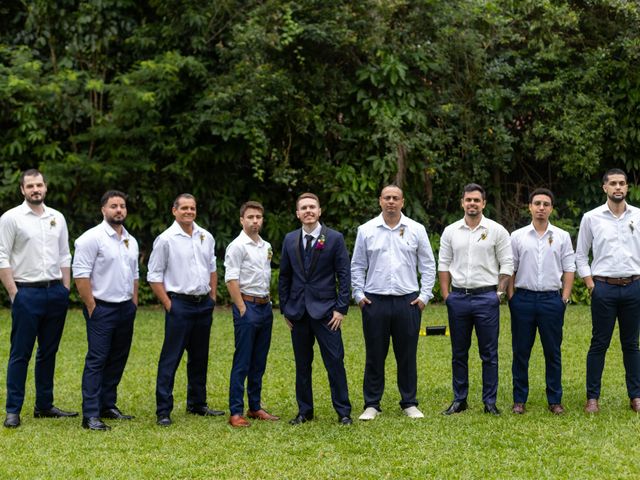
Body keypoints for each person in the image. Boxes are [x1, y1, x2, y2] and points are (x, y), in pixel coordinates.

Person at [0, 169, 78, 428]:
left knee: (49, 351)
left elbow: (65, 254)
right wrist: (14, 293)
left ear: (45, 188)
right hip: (26, 292)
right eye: (30, 185)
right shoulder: (11, 218)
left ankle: (44, 405)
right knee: (20, 353)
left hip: (55, 292)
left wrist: (65, 287)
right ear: (22, 190)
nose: (36, 189)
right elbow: (2, 256)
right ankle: (13, 409)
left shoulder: (57, 217)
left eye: (40, 185)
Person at [351, 185, 436, 421]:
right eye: (387, 198)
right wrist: (358, 295)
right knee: (374, 354)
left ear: (402, 202)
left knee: (407, 354)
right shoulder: (366, 230)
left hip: (408, 302)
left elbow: (428, 264)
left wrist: (424, 296)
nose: (391, 202)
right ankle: (372, 404)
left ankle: (409, 402)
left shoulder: (416, 230)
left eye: (395, 198)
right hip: (374, 301)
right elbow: (357, 265)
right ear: (380, 201)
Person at [147, 193, 224, 426]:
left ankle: (197, 403)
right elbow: (154, 275)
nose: (189, 212)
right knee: (171, 358)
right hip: (179, 304)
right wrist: (169, 304)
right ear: (174, 211)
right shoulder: (166, 239)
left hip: (203, 305)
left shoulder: (206, 236)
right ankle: (163, 410)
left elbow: (212, 267)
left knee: (199, 357)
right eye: (184, 208)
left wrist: (212, 296)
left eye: (192, 208)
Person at [438, 183, 513, 415]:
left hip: (486, 298)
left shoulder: (496, 230)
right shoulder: (451, 231)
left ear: (484, 203)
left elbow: (507, 262)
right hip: (458, 297)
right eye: (468, 200)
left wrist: (498, 294)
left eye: (476, 200)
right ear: (462, 203)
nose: (472, 203)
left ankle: (489, 402)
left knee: (489, 354)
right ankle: (460, 399)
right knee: (459, 352)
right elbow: (444, 263)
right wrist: (446, 295)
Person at [278, 193, 352, 425]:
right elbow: (284, 277)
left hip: (327, 313)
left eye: (312, 207)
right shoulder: (290, 239)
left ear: (319, 211)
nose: (308, 211)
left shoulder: (334, 238)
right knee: (302, 364)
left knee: (334, 362)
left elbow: (344, 275)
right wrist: (285, 310)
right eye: (303, 208)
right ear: (297, 213)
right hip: (298, 313)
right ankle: (305, 411)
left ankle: (343, 411)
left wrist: (340, 309)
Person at [73, 190, 139, 431]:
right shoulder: (91, 238)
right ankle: (90, 415)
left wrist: (134, 302)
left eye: (122, 205)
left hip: (125, 308)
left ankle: (107, 405)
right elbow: (80, 275)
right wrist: (91, 306)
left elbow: (134, 274)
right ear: (103, 210)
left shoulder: (130, 240)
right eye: (113, 206)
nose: (119, 209)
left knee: (118, 358)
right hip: (101, 308)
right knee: (97, 360)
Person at [576, 168, 640, 413]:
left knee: (631, 344)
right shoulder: (592, 218)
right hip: (603, 287)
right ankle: (592, 397)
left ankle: (636, 396)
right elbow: (581, 255)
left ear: (626, 187)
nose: (618, 187)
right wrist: (591, 285)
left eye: (622, 183)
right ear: (604, 187)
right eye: (613, 183)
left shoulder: (638, 216)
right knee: (599, 343)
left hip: (634, 286)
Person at [508, 188, 575, 415]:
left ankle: (555, 400)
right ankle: (519, 400)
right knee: (521, 351)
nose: (541, 208)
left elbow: (569, 269)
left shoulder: (562, 236)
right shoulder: (517, 236)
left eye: (546, 204)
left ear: (551, 209)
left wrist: (564, 299)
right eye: (537, 203)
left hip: (551, 300)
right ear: (529, 207)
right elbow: (511, 268)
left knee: (552, 352)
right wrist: (511, 297)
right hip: (523, 299)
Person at [225, 201, 279, 427]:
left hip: (265, 307)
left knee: (259, 360)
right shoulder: (237, 246)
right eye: (250, 217)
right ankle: (236, 411)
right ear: (242, 220)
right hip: (247, 307)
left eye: (258, 217)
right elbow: (231, 279)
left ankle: (255, 406)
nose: (255, 221)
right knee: (243, 361)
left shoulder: (265, 245)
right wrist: (241, 308)